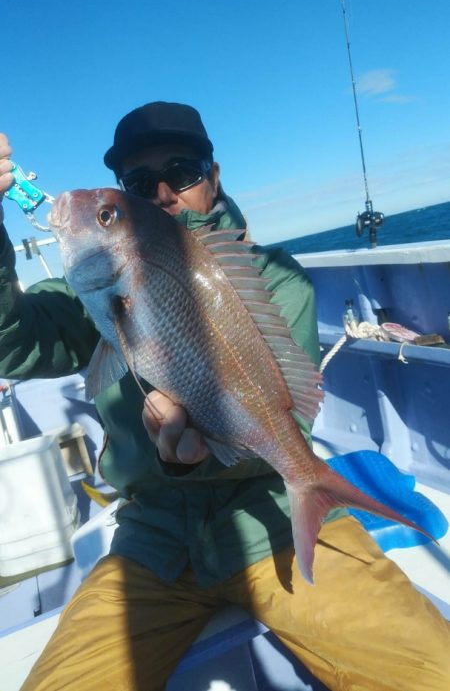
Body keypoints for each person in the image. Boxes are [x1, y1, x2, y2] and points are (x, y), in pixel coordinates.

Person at [0, 102, 448, 691]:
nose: (162, 193)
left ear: (214, 176)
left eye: (182, 170)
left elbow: (274, 411)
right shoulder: (93, 293)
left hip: (273, 514)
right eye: (137, 184)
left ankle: (318, 494)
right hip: (154, 540)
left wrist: (198, 451)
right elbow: (14, 344)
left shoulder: (271, 276)